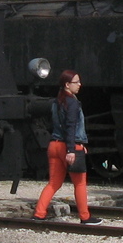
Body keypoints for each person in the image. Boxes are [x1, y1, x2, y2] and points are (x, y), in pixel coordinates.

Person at [33, 70, 102, 224]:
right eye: (76, 82)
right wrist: (72, 149)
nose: (79, 85)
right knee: (80, 183)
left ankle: (39, 213)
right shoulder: (72, 103)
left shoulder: (56, 102)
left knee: (53, 183)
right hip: (68, 147)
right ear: (67, 84)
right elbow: (70, 127)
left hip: (54, 145)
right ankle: (85, 217)